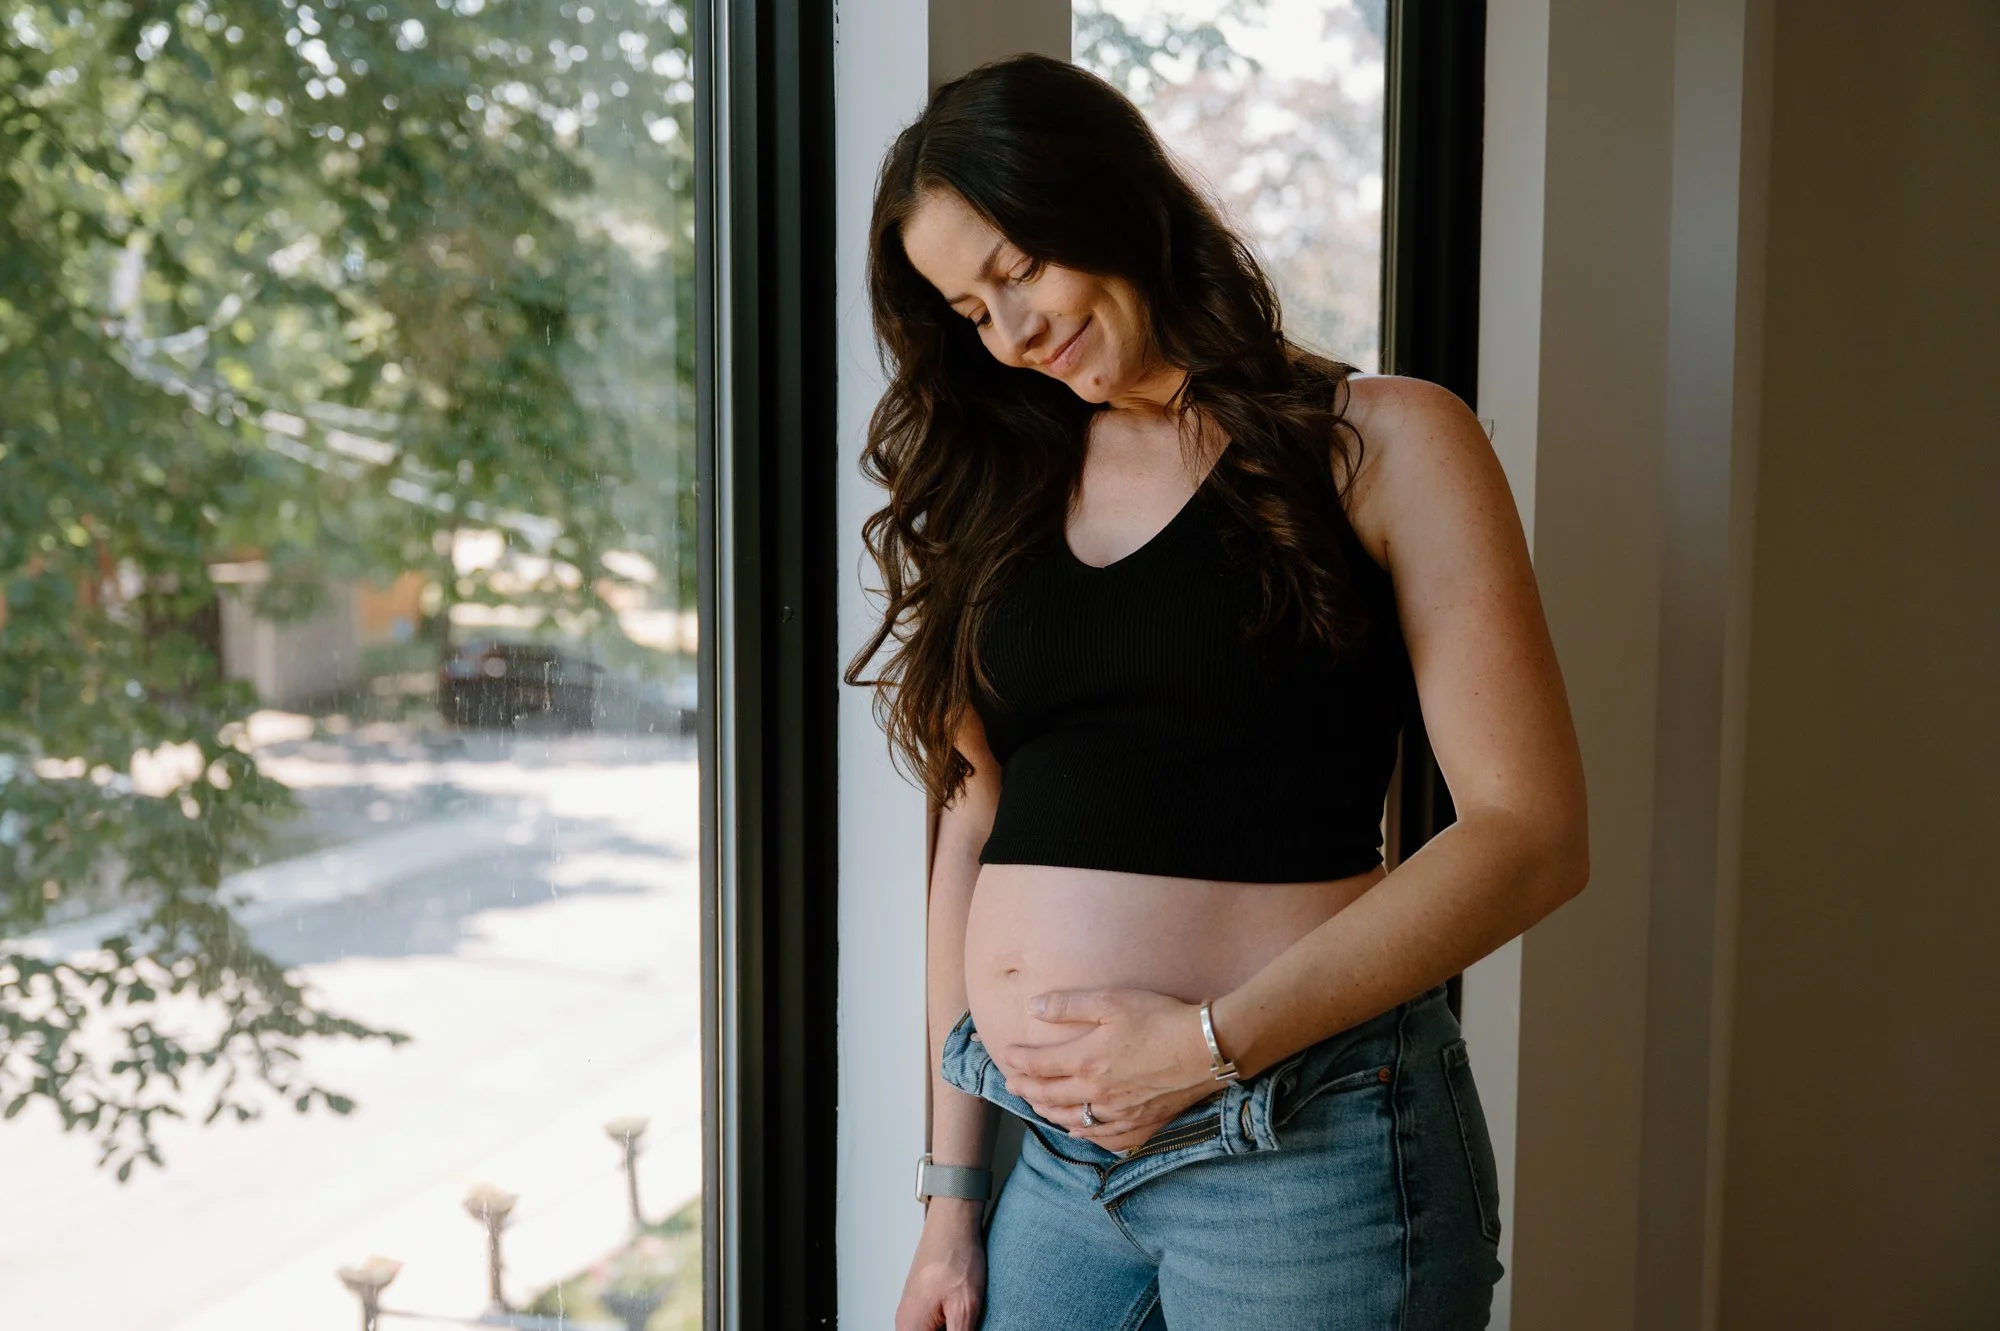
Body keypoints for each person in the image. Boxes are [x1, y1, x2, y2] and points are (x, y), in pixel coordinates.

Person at [845, 53, 1589, 1331]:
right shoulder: (1004, 485)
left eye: (1017, 269)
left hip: (1298, 1148)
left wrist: (1202, 1045)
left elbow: (1530, 837)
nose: (1011, 333)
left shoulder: (1382, 443)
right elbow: (974, 821)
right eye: (970, 311)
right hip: (1060, 1168)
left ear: (1113, 199)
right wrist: (950, 1199)